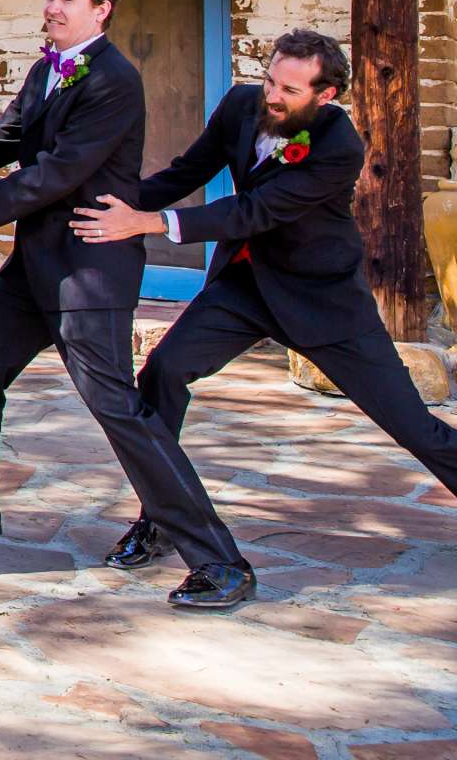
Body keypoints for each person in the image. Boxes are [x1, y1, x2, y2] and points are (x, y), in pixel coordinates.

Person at [0, 0, 254, 610]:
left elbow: (61, 171)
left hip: (90, 270)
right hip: (35, 265)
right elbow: (4, 141)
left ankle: (221, 561)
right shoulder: (45, 70)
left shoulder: (115, 80)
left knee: (116, 408)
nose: (53, 7)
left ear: (102, 10)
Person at [75, 28, 457, 568]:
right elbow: (188, 171)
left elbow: (255, 211)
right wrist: (110, 206)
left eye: (290, 91)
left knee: (412, 425)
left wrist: (150, 223)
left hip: (322, 302)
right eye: (270, 80)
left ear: (326, 96)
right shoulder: (240, 104)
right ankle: (159, 519)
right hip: (244, 286)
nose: (272, 97)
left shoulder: (339, 146)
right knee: (163, 372)